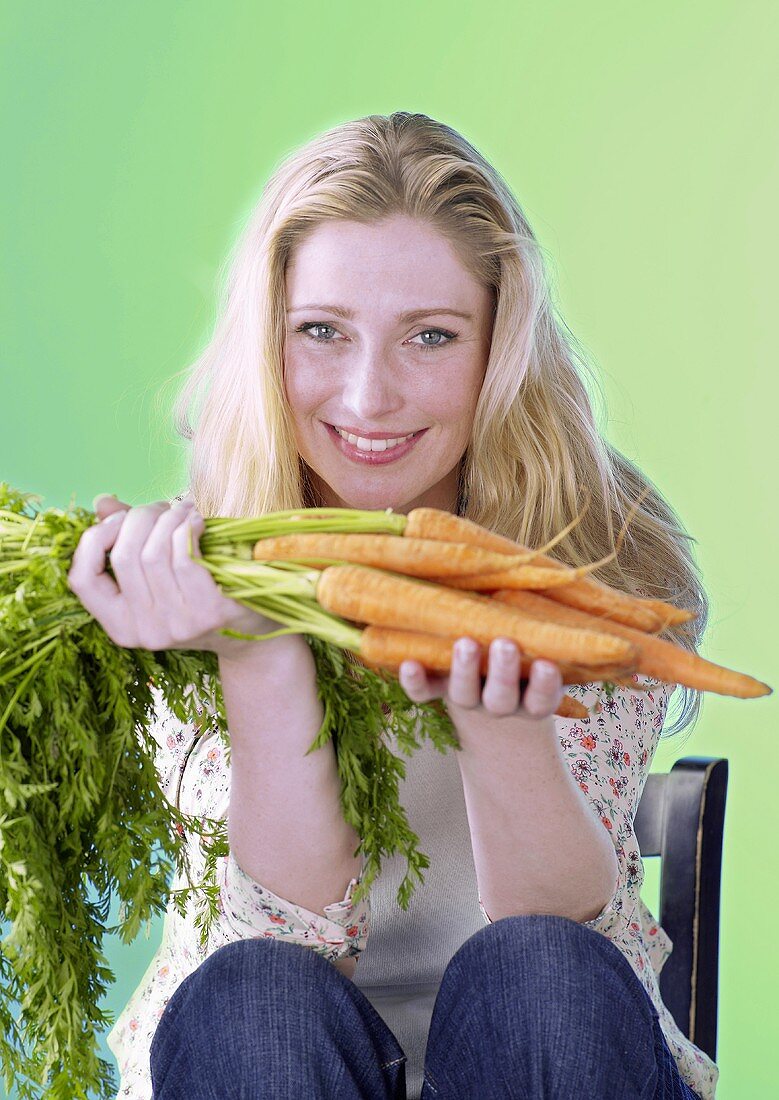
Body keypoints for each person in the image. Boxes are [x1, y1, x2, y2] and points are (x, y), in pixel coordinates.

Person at [67, 112, 718, 1099]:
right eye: (320, 332)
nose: (370, 397)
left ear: (497, 347)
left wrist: (505, 728)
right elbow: (287, 950)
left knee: (538, 970)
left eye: (429, 336)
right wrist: (255, 657)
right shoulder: (190, 586)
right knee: (253, 994)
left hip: (550, 1058)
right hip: (267, 1065)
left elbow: (560, 973)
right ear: (265, 343)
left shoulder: (592, 566)